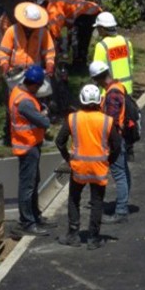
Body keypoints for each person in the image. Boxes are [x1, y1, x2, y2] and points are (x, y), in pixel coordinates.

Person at [56, 83, 119, 250]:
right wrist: (109, 161)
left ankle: (73, 234)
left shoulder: (73, 118)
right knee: (97, 201)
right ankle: (93, 238)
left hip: (79, 167)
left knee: (74, 199)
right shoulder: (107, 121)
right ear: (99, 101)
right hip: (99, 168)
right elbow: (117, 146)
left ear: (81, 101)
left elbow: (59, 141)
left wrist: (68, 159)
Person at [8, 64, 52, 236]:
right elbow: (45, 122)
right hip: (28, 146)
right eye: (39, 85)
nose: (40, 89)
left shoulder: (19, 92)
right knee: (27, 186)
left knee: (33, 182)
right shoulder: (25, 102)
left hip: (29, 144)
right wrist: (45, 114)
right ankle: (27, 222)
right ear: (34, 84)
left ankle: (35, 216)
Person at [90, 61, 135, 223]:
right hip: (120, 137)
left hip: (115, 139)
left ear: (97, 78)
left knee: (119, 173)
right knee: (123, 172)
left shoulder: (112, 93)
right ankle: (122, 205)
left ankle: (121, 211)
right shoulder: (117, 87)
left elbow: (112, 120)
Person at [0, 0, 56, 83]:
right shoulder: (12, 31)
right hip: (15, 73)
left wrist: (49, 65)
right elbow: (4, 52)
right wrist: (5, 64)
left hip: (35, 72)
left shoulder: (43, 32)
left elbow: (49, 52)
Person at [89, 11, 135, 96]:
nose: (97, 30)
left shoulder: (102, 46)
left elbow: (97, 73)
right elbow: (131, 66)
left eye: (98, 28)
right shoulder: (126, 42)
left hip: (110, 93)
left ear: (102, 29)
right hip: (127, 91)